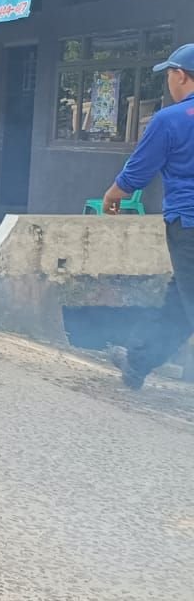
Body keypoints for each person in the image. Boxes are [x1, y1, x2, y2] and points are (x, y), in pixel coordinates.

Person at [103, 42, 194, 389]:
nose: (169, 82)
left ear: (180, 75)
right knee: (180, 302)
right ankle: (138, 363)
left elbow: (138, 172)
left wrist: (112, 196)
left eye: (169, 75)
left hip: (188, 224)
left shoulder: (169, 119)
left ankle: (138, 362)